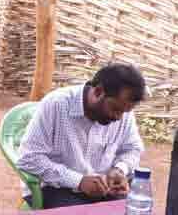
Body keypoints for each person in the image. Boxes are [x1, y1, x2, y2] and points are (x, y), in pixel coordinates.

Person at [16, 63, 146, 209]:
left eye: (125, 111)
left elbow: (133, 149)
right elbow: (28, 158)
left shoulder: (122, 112)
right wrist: (78, 181)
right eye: (115, 109)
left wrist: (119, 169)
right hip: (56, 188)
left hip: (105, 188)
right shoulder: (56, 105)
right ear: (98, 92)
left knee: (138, 206)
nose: (119, 118)